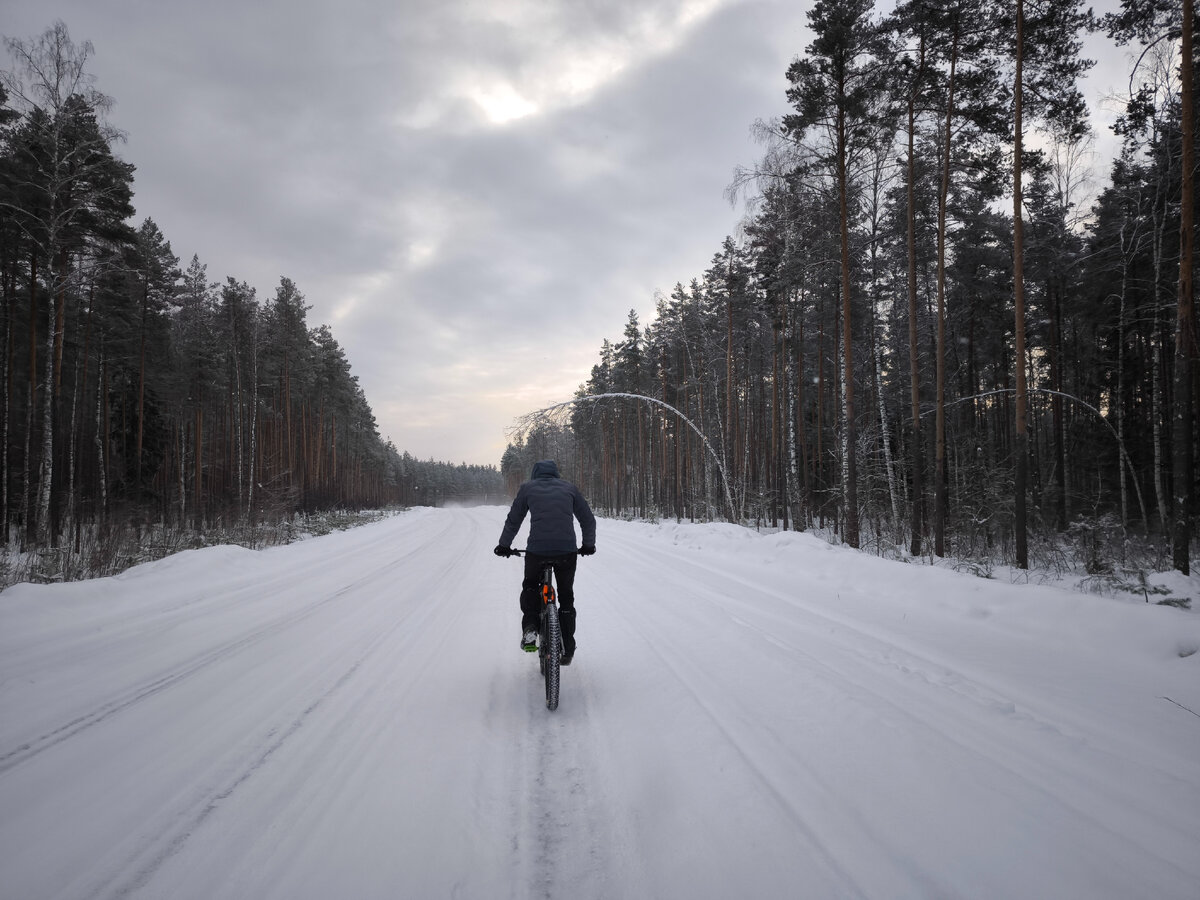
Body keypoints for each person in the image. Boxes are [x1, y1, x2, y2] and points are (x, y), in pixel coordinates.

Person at [494, 459, 595, 665]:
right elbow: (588, 520)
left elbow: (514, 520)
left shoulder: (527, 488)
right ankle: (567, 644)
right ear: (555, 473)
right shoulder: (569, 488)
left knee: (531, 585)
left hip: (537, 551)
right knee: (566, 596)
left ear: (535, 473)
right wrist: (588, 545)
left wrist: (504, 545)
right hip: (566, 551)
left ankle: (531, 626)